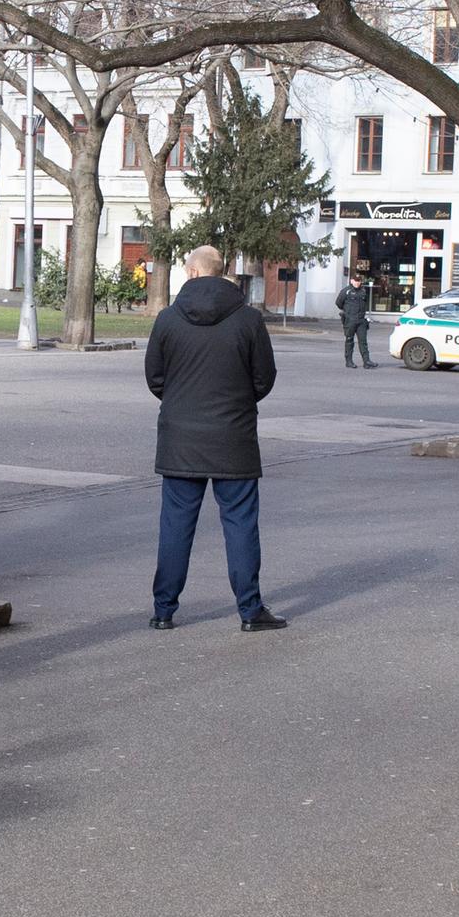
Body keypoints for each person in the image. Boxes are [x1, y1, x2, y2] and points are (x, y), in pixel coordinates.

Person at [146, 245, 284, 633]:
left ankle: (163, 610)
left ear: (191, 273)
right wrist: (238, 403)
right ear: (221, 272)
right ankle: (250, 610)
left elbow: (155, 379)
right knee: (240, 524)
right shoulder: (249, 320)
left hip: (180, 440)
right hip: (233, 439)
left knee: (175, 525)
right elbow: (264, 379)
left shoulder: (168, 320)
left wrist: (181, 403)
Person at [335, 269, 377, 369]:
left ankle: (367, 361)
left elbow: (365, 302)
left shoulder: (363, 291)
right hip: (350, 320)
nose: (357, 282)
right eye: (355, 280)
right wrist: (348, 312)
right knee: (349, 340)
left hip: (361, 320)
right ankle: (349, 361)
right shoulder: (346, 291)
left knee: (363, 341)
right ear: (351, 281)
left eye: (359, 281)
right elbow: (338, 303)